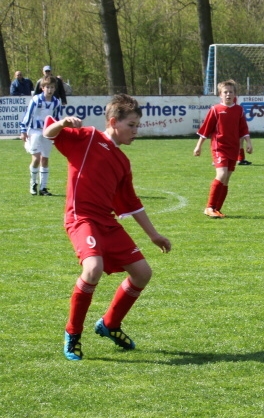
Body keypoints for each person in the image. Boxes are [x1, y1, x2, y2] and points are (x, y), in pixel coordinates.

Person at [43, 94, 172, 361]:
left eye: (137, 125)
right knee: (93, 268)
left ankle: (110, 324)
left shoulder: (123, 162)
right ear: (113, 121)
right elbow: (48, 133)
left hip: (106, 222)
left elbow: (131, 202)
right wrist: (64, 123)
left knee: (142, 273)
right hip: (81, 218)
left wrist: (153, 234)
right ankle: (73, 333)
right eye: (132, 125)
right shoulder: (87, 138)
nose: (136, 131)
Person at [193, 79, 253, 218]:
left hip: (234, 148)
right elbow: (206, 129)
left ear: (235, 94)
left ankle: (216, 209)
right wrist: (198, 146)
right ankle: (209, 207)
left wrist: (248, 142)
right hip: (219, 147)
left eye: (230, 92)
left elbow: (243, 128)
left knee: (226, 179)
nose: (228, 94)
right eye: (225, 92)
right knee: (221, 175)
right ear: (220, 94)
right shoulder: (215, 109)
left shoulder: (239, 110)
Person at [20, 78, 62, 195]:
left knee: (45, 159)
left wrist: (57, 133)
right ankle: (33, 184)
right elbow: (28, 115)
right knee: (36, 158)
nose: (50, 90)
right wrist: (23, 130)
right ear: (42, 88)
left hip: (47, 133)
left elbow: (57, 119)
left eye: (52, 87)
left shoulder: (56, 102)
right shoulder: (36, 100)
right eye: (47, 87)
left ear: (55, 88)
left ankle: (43, 188)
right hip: (34, 131)